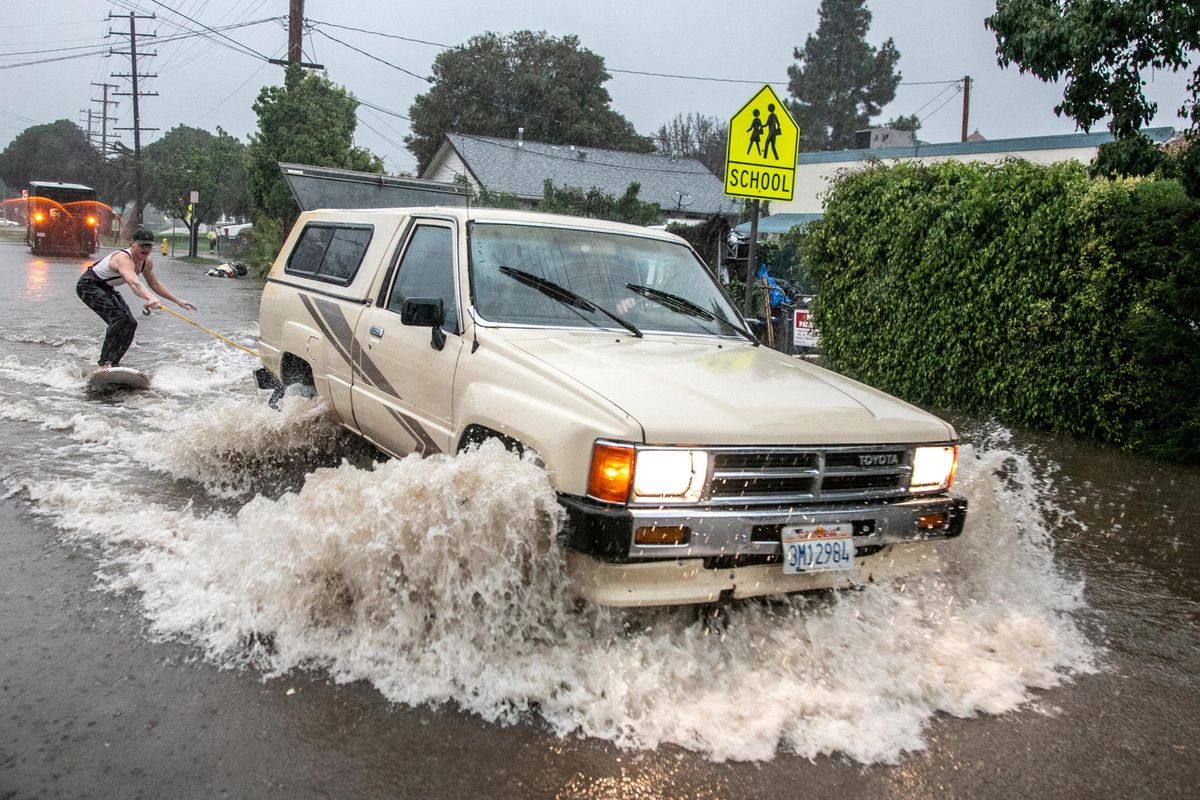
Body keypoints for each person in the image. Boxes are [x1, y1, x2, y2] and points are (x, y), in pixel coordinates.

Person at [75, 227, 197, 370]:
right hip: (88, 286)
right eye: (142, 245)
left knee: (131, 323)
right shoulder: (123, 259)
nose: (145, 249)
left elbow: (155, 284)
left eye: (149, 246)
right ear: (133, 243)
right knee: (119, 318)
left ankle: (115, 363)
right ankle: (104, 364)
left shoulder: (147, 262)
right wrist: (150, 298)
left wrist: (178, 301)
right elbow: (134, 283)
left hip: (106, 287)